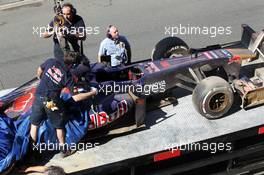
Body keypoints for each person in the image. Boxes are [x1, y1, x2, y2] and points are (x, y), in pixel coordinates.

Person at [29, 53, 97, 156]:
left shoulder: (52, 61)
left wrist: (41, 78)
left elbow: (39, 69)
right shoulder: (67, 76)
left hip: (38, 96)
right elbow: (76, 97)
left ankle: (31, 152)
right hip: (50, 102)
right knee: (59, 125)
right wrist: (92, 93)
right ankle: (64, 150)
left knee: (34, 125)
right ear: (73, 65)